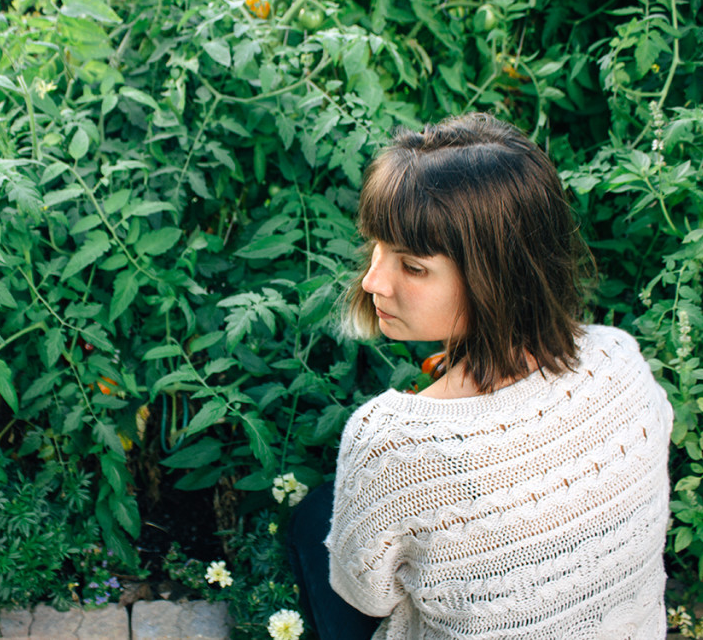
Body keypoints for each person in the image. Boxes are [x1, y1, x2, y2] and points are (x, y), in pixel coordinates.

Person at [288, 113, 672, 639]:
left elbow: (366, 596)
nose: (373, 279)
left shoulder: (395, 444)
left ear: (496, 274)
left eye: (413, 266)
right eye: (376, 247)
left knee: (313, 524)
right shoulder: (620, 360)